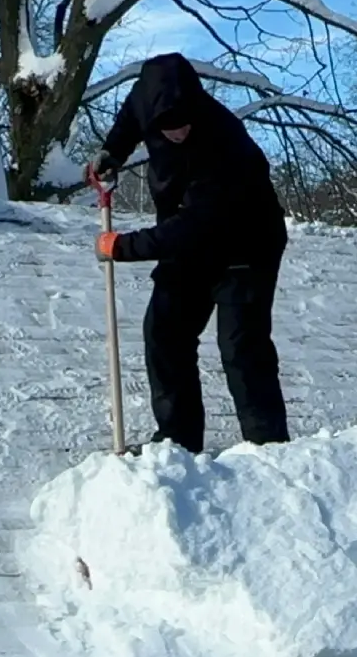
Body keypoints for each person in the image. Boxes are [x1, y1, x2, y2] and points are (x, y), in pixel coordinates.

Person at [88, 53, 291, 455]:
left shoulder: (224, 143)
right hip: (190, 241)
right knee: (164, 332)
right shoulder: (145, 100)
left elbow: (193, 227)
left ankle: (269, 449)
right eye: (169, 127)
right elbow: (130, 119)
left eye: (184, 125)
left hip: (246, 243)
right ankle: (176, 445)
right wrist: (112, 152)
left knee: (240, 346)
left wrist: (123, 247)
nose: (178, 133)